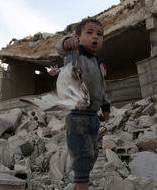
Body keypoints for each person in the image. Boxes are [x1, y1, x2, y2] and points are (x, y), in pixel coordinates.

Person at [55, 18, 111, 190]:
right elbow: (59, 48)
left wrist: (106, 107)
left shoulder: (100, 64)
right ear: (77, 38)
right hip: (77, 115)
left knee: (92, 153)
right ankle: (81, 184)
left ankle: (81, 181)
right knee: (82, 153)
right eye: (89, 32)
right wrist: (66, 42)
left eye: (99, 34)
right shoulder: (74, 53)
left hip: (93, 116)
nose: (95, 37)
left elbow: (102, 89)